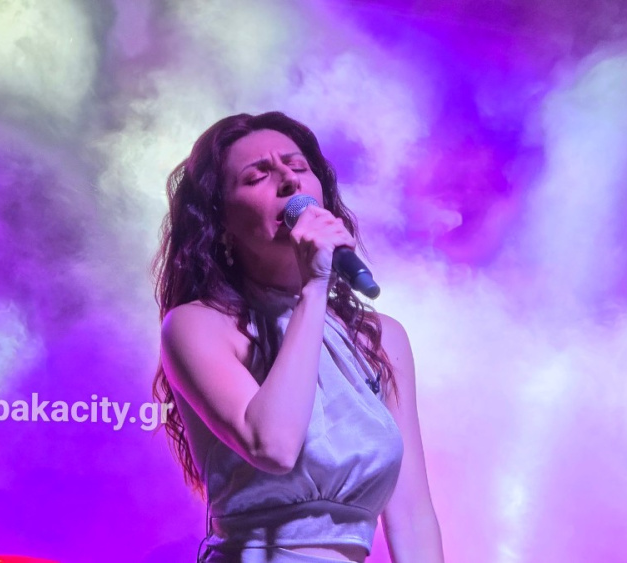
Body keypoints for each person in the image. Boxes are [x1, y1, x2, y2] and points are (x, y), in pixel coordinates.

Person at [152, 111, 444, 563]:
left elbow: (411, 512)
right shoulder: (196, 325)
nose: (288, 180)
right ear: (221, 221)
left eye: (298, 166)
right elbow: (273, 445)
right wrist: (314, 288)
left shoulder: (381, 339)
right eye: (258, 176)